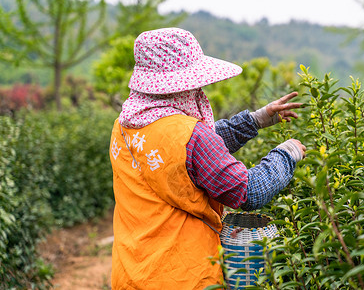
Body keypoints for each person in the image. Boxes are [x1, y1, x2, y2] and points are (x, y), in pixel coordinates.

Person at [109, 27, 307, 290]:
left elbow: (183, 157)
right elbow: (249, 191)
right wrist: (286, 154)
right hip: (182, 276)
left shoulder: (125, 125)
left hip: (132, 271)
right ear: (182, 84)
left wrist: (255, 120)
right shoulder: (192, 137)